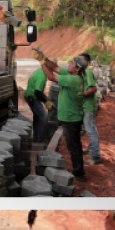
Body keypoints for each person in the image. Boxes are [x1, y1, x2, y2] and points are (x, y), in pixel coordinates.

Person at [38, 52, 88, 181]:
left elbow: (51, 76)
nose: (69, 64)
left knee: (74, 146)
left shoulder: (73, 80)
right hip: (70, 117)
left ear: (77, 69)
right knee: (73, 144)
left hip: (71, 119)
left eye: (72, 63)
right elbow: (55, 68)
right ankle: (78, 170)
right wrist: (44, 58)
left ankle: (79, 173)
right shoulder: (73, 74)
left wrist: (41, 62)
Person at [79, 52, 102, 165]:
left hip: (88, 106)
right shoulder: (82, 72)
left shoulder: (87, 72)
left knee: (90, 129)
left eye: (82, 60)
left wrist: (81, 94)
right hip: (87, 105)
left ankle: (96, 155)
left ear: (87, 62)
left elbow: (93, 89)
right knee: (92, 127)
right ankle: (91, 148)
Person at [22, 66, 50, 143]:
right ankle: (40, 139)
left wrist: (46, 99)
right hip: (32, 97)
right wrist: (46, 102)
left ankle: (36, 136)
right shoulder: (42, 76)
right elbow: (38, 92)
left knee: (37, 116)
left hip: (29, 95)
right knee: (43, 117)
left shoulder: (39, 71)